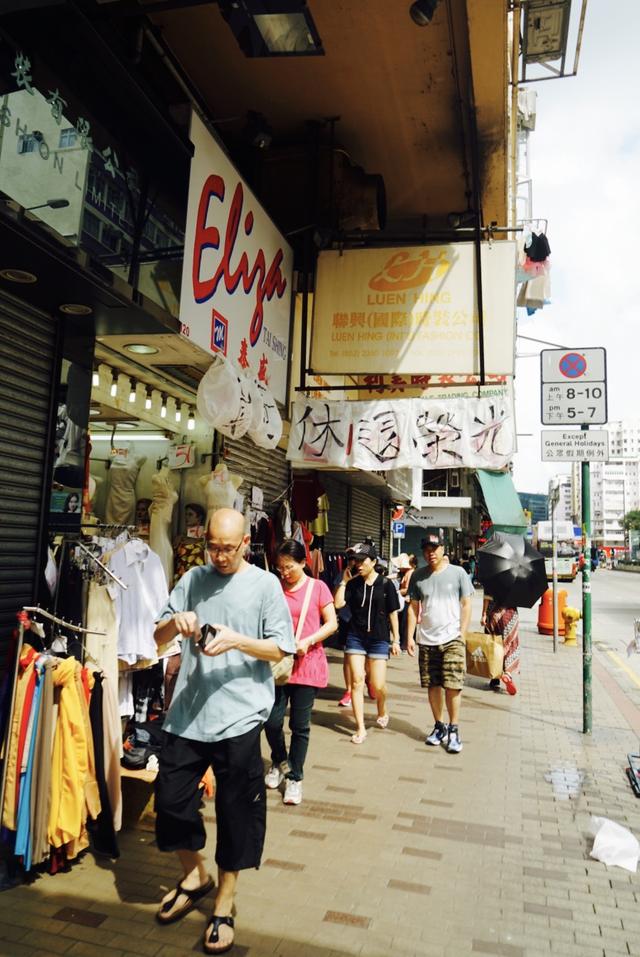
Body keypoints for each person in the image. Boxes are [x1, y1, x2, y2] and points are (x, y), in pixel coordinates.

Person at [152, 508, 296, 955]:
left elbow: (281, 647)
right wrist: (175, 623)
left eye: (227, 548)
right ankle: (196, 873)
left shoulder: (265, 585)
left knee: (236, 815)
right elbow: (156, 636)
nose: (218, 556)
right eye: (212, 546)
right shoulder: (193, 578)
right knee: (171, 803)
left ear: (245, 545)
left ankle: (224, 903)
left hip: (240, 718)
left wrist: (236, 640)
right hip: (188, 716)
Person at [264, 540, 337, 805]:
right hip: (278, 663)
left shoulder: (318, 588)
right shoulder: (274, 588)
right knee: (271, 721)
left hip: (307, 664)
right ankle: (280, 762)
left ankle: (295, 777)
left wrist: (308, 640)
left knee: (299, 725)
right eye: (280, 567)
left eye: (289, 567)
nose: (284, 572)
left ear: (304, 562)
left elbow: (331, 624)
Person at [406, 527, 473, 754]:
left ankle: (454, 729)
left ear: (443, 549)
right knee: (433, 685)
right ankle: (439, 726)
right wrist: (410, 637)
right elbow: (413, 609)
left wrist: (462, 634)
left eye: (434, 548)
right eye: (426, 549)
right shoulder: (418, 576)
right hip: (427, 639)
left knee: (453, 685)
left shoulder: (458, 573)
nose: (430, 553)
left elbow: (466, 604)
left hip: (452, 638)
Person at [334, 542, 401, 744]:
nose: (358, 565)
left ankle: (382, 707)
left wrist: (396, 639)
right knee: (357, 681)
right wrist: (344, 582)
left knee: (378, 684)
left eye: (363, 561)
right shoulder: (353, 583)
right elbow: (338, 604)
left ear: (373, 561)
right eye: (356, 561)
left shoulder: (386, 584)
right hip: (356, 637)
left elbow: (393, 613)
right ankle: (361, 728)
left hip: (379, 638)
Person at [480, 595, 519, 695]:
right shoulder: (515, 581)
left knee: (494, 645)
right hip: (510, 613)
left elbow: (487, 596)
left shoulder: (491, 579)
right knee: (511, 643)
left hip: (493, 613)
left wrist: (484, 614)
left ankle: (495, 677)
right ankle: (508, 673)